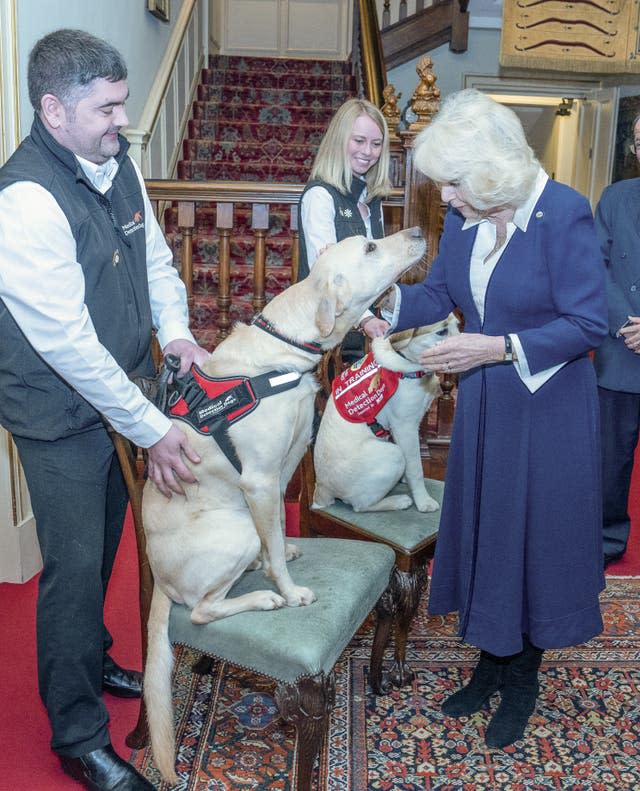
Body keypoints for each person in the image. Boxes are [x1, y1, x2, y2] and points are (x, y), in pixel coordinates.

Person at [0, 29, 209, 791]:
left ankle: (94, 658)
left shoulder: (119, 165)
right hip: (58, 417)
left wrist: (178, 333)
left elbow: (153, 258)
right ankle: (78, 735)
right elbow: (69, 344)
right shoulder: (23, 199)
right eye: (108, 107)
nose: (122, 120)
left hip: (123, 397)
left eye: (123, 103)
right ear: (53, 110)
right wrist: (152, 426)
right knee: (74, 567)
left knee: (111, 549)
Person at [382, 89, 608, 749]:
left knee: (534, 539)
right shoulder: (466, 218)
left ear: (486, 173)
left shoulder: (562, 213)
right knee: (489, 531)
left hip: (548, 407)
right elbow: (441, 292)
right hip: (487, 405)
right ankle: (490, 661)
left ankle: (525, 676)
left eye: (453, 183)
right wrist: (379, 304)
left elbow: (587, 323)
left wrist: (497, 346)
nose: (445, 197)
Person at [298, 97, 393, 356]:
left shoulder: (372, 199)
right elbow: (325, 277)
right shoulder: (320, 195)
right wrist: (365, 320)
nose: (368, 152)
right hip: (327, 336)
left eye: (376, 144)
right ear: (340, 140)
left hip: (367, 331)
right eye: (359, 141)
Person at [593, 113, 640, 567]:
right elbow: (595, 267)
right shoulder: (615, 197)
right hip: (620, 347)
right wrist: (628, 324)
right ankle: (606, 542)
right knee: (611, 462)